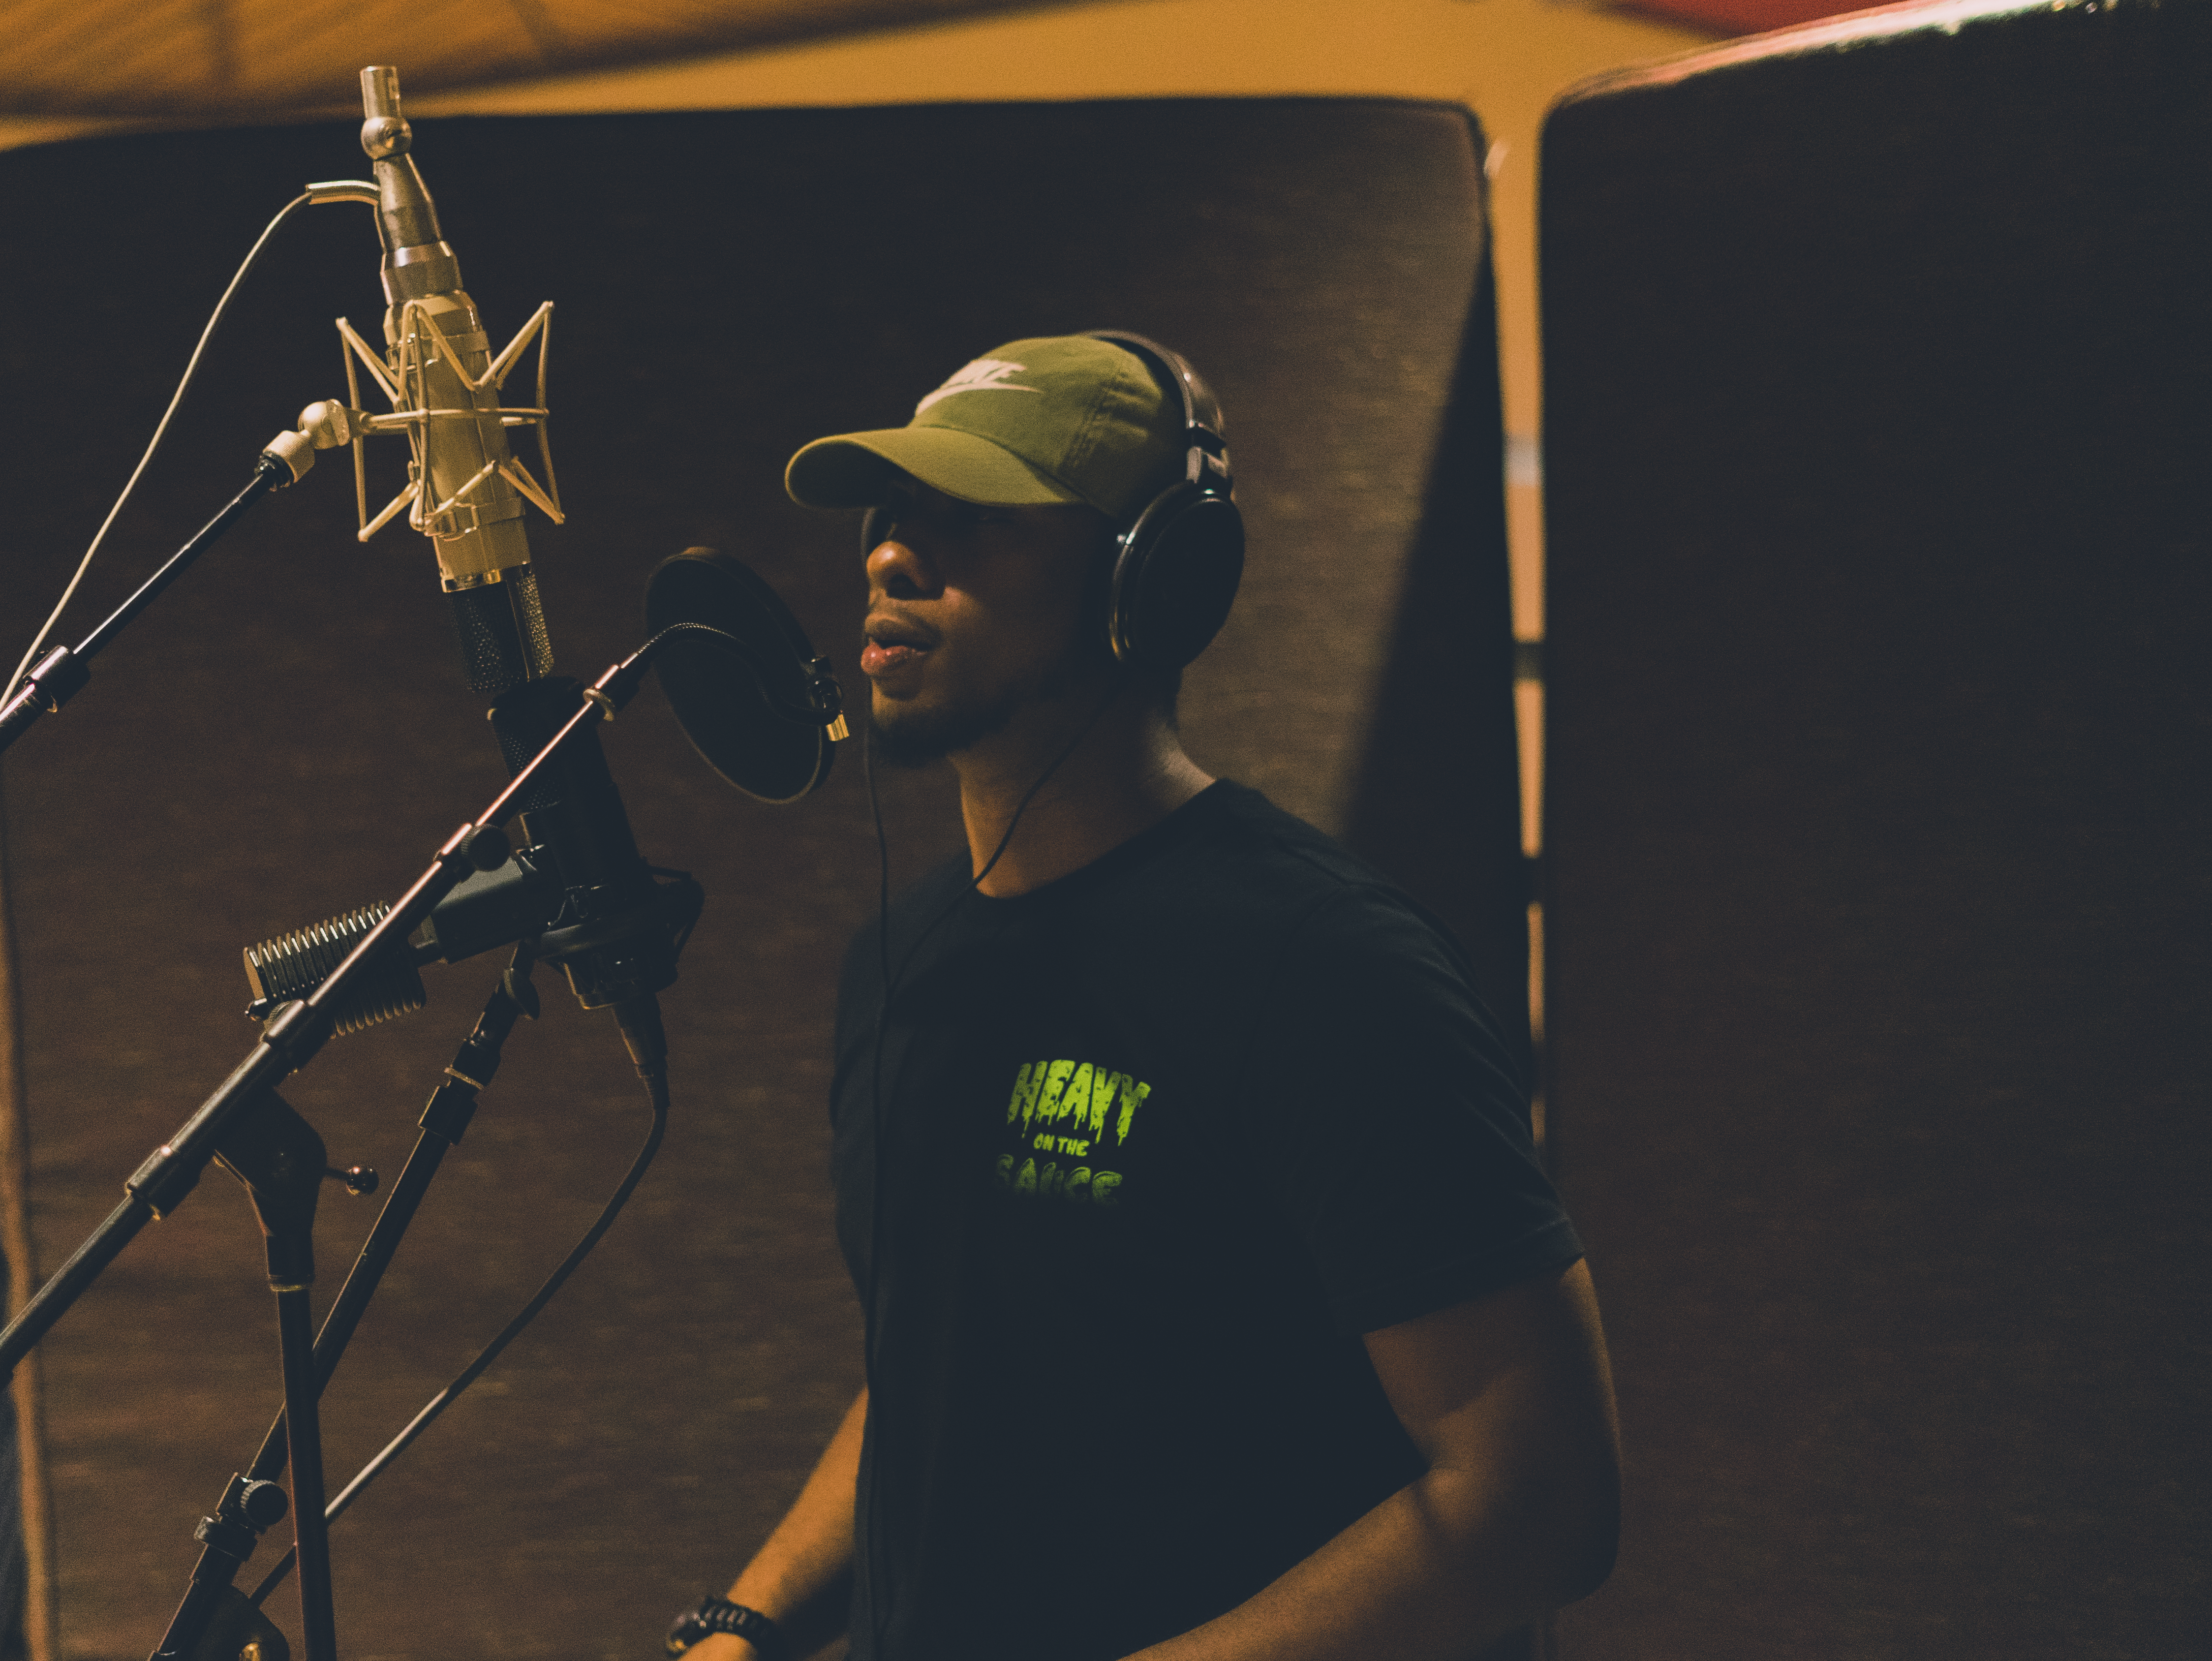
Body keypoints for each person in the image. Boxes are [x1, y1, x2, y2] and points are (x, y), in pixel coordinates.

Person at [663, 335, 1620, 1661]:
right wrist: (738, 1629)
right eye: (889, 515)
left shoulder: (1321, 966)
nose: (891, 554)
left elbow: (1534, 1502)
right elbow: (941, 1372)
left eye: (971, 516)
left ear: (1153, 582)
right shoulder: (901, 961)